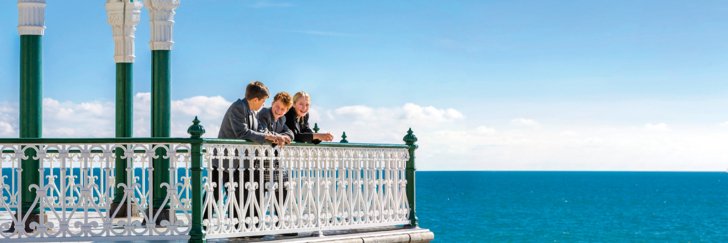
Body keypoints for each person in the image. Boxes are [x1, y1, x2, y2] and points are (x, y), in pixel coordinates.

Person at [210, 81, 289, 228]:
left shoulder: (253, 112)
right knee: (213, 195)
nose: (263, 104)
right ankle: (202, 225)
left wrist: (275, 137)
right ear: (255, 100)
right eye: (263, 101)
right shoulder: (238, 107)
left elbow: (260, 131)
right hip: (224, 161)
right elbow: (242, 132)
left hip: (239, 163)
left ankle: (238, 227)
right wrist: (268, 137)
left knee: (237, 195)